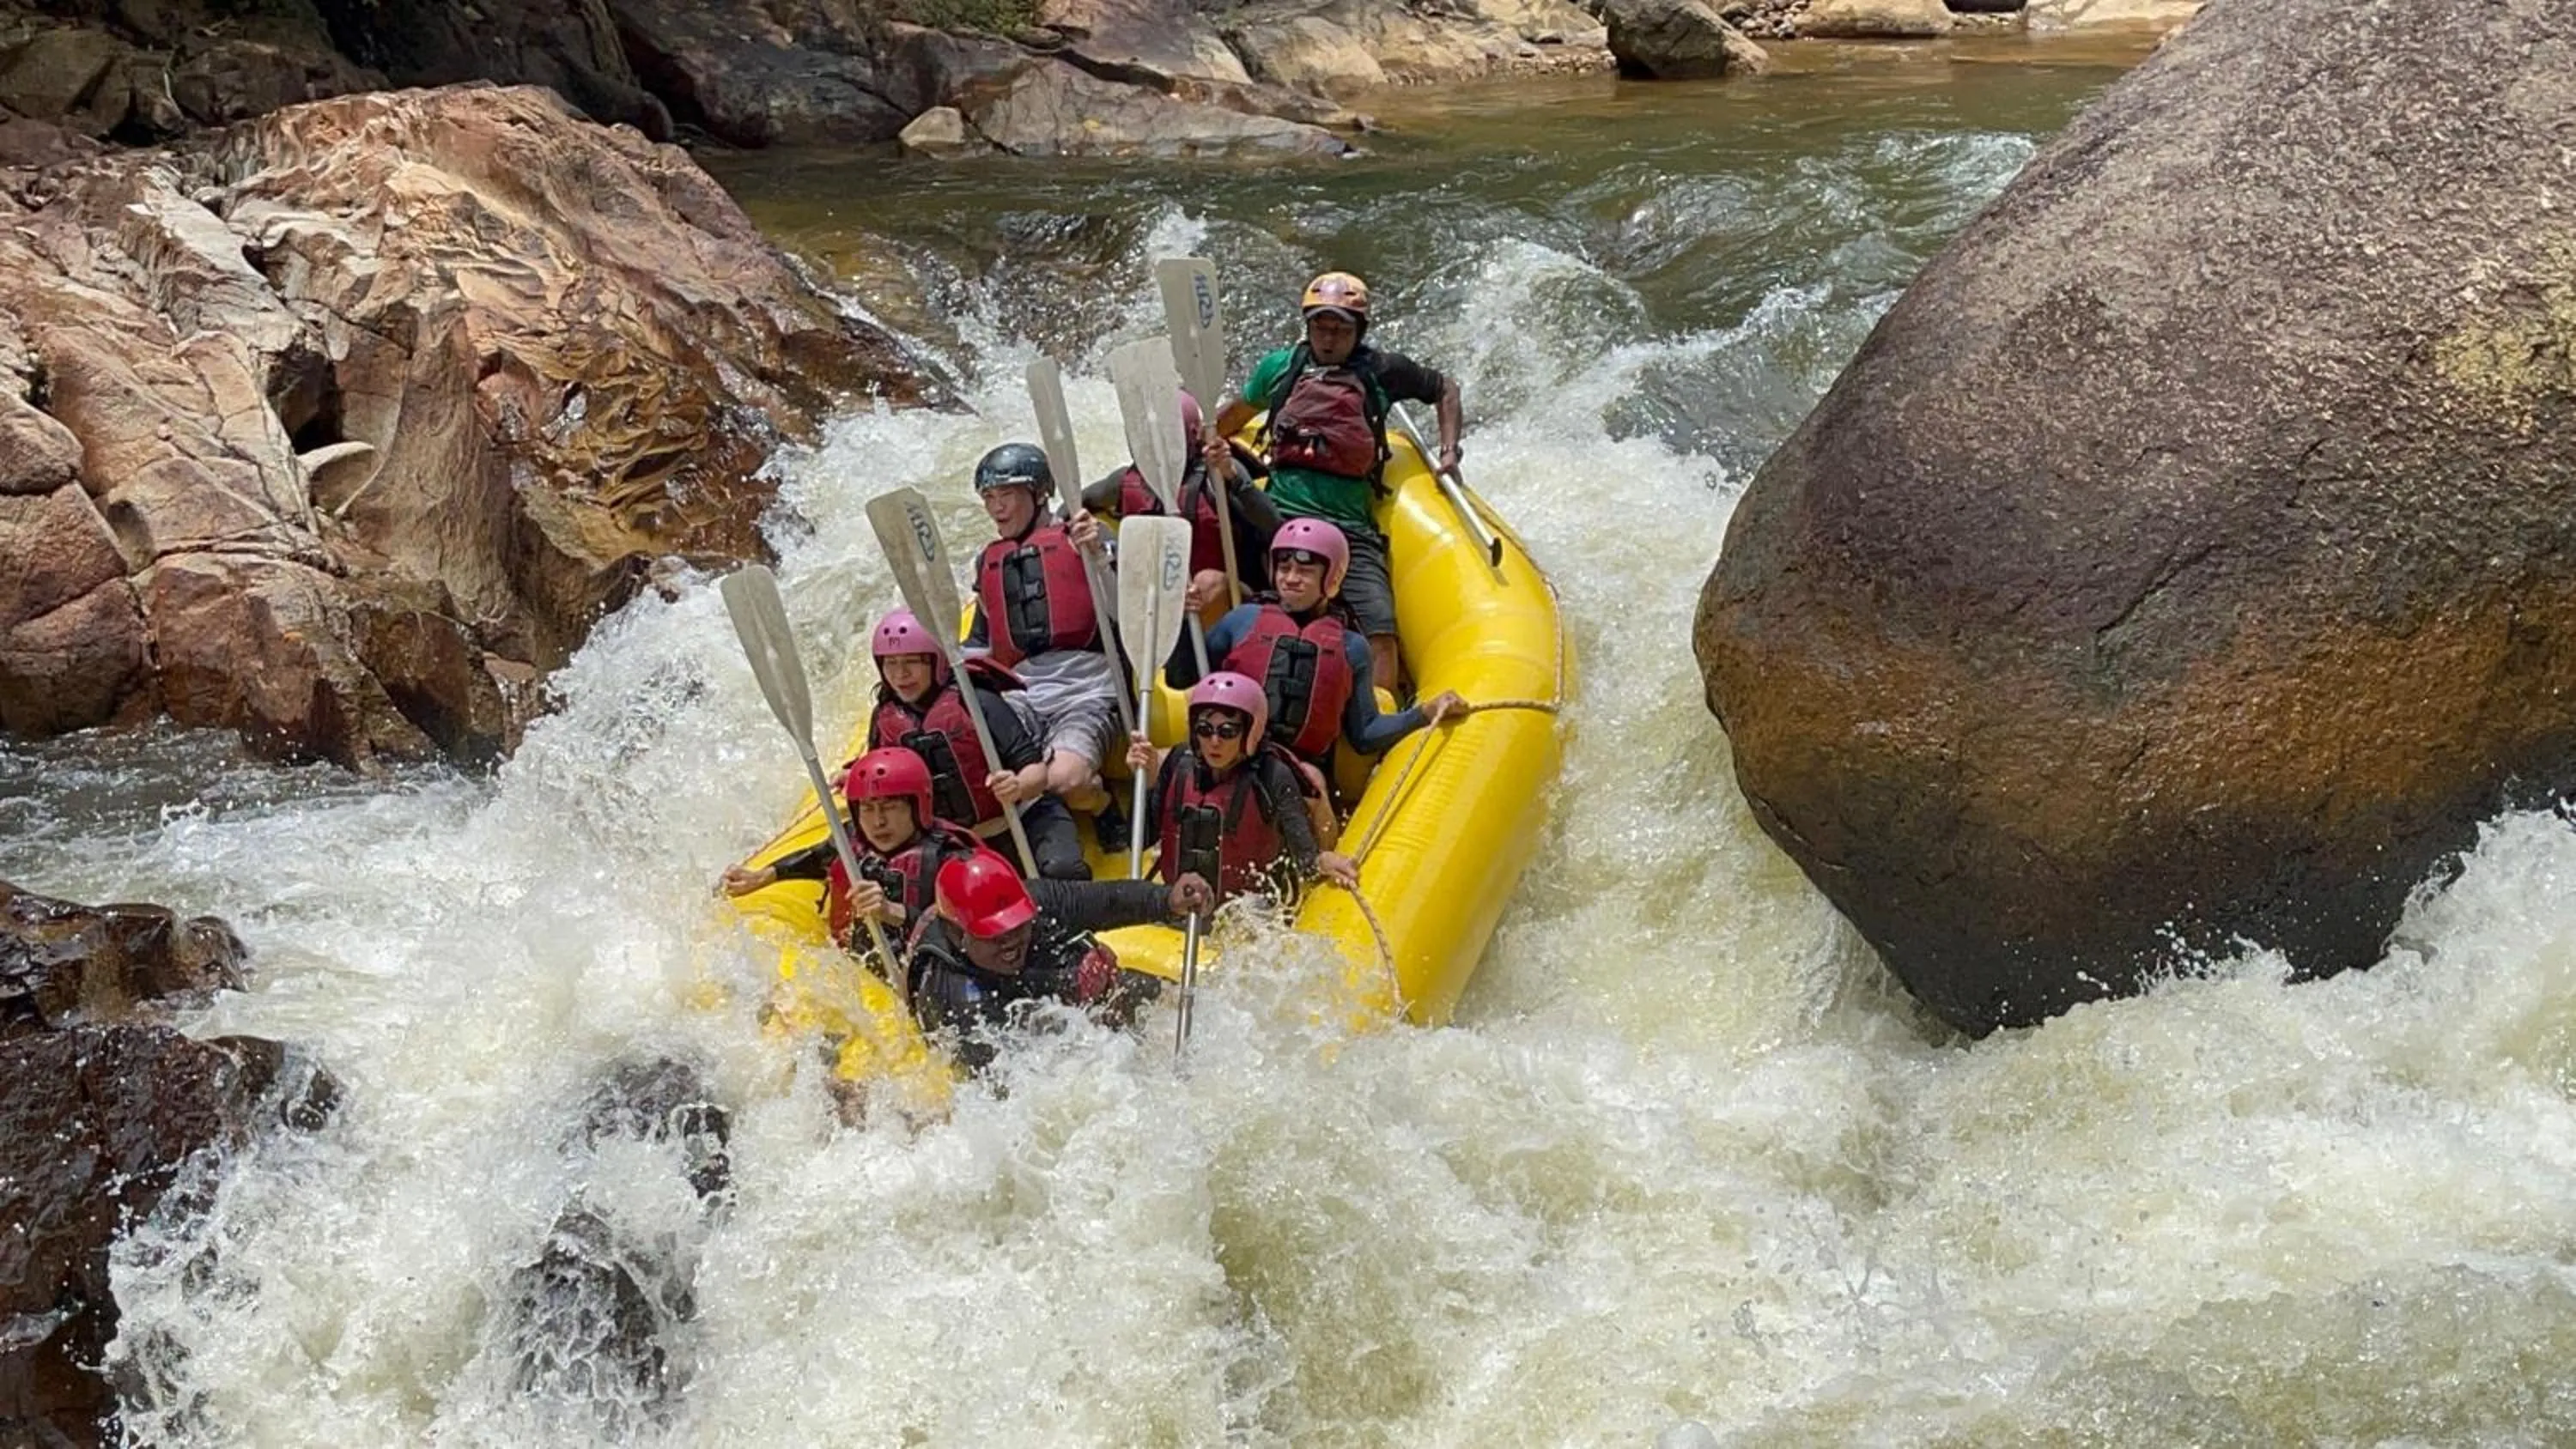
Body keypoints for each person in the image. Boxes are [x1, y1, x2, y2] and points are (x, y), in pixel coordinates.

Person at [1208, 271, 1464, 686]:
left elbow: (1445, 389)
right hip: (1276, 513)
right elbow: (1232, 418)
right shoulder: (1280, 368)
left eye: (1340, 330)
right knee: (1220, 584)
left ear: (1358, 331)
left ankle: (1377, 716)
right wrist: (1201, 446)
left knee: (1381, 630)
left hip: (1348, 526)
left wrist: (1450, 451)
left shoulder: (1383, 370)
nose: (1328, 340)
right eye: (1319, 328)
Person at [1172, 518, 1461, 773]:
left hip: (1296, 770)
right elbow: (1182, 677)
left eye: (1305, 571)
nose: (1291, 579)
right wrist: (1186, 623)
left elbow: (1366, 734)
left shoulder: (1352, 648)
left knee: (1315, 784)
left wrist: (1424, 713)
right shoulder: (1242, 620)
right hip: (1227, 757)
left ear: (1333, 579)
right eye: (1284, 568)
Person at [903, 849, 1214, 1073]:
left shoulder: (1033, 901)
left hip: (1049, 995)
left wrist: (1167, 900)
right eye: (995, 935)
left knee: (1143, 992)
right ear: (958, 936)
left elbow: (1106, 902)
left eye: (1018, 925)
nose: (1011, 940)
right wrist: (1070, 988)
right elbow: (1015, 1078)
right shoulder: (955, 996)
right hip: (1019, 1053)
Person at [963, 442, 1126, 822]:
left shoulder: (1084, 537)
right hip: (1022, 694)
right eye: (988, 497)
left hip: (1088, 692)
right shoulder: (988, 561)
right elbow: (980, 645)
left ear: (1039, 494)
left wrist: (1100, 560)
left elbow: (1126, 614)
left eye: (1006, 494)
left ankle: (1103, 807)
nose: (996, 507)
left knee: (1065, 781)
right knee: (971, 762)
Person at [866, 607, 1089, 881]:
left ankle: (1103, 810)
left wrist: (1017, 786)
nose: (901, 674)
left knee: (1062, 871)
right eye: (891, 664)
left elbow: (1037, 773)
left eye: (912, 661)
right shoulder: (885, 718)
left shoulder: (977, 701)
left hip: (1023, 817)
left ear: (936, 662)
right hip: (955, 842)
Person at [719, 746, 986, 949]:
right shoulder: (851, 840)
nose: (878, 821)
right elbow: (816, 858)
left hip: (916, 972)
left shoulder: (949, 858)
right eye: (868, 809)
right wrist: (763, 876)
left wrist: (893, 912)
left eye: (890, 807)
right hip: (853, 961)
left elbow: (967, 935)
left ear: (919, 807)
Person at [1127, 672, 1355, 905]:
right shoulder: (1177, 762)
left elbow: (1305, 858)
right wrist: (1146, 782)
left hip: (1248, 907)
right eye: (1205, 730)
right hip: (1180, 902)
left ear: (1250, 732)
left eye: (1227, 732)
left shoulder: (1272, 775)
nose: (1214, 742)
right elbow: (1140, 838)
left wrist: (1322, 861)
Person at [1078, 388, 1280, 613]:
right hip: (1155, 596)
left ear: (1191, 435)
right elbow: (1075, 504)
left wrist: (1231, 476)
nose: (1154, 445)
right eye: (1145, 435)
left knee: (1207, 582)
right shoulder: (1125, 480)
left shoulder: (1217, 474)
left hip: (1222, 597)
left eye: (1165, 436)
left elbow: (1273, 524)